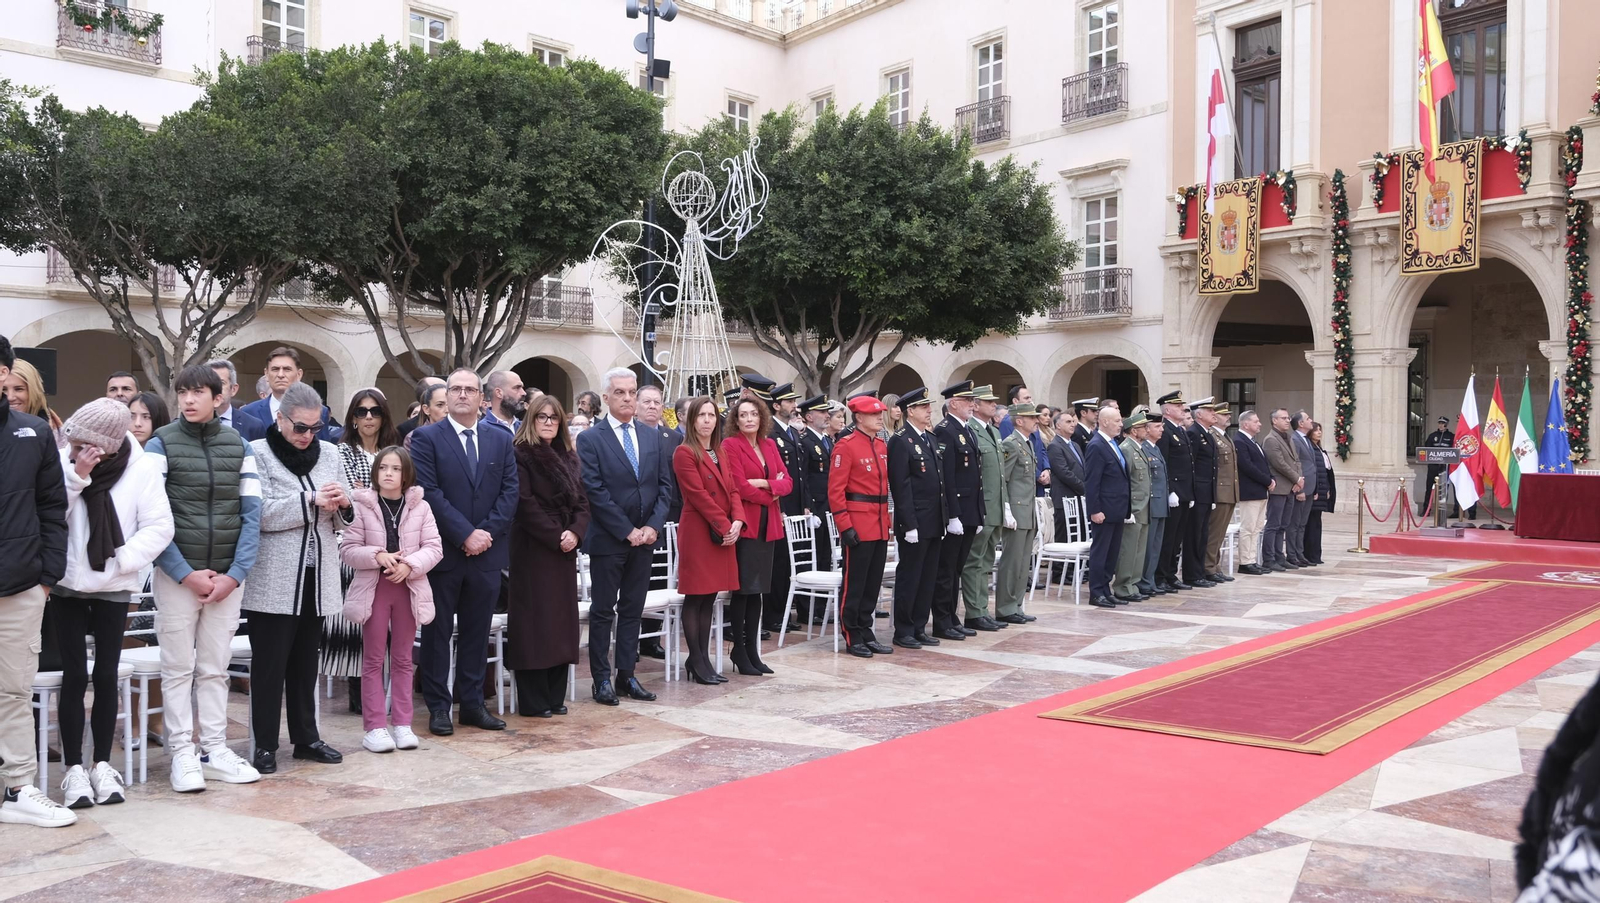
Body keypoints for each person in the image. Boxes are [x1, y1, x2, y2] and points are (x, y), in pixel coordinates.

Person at [144, 364, 262, 792]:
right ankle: (181, 753)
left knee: (214, 670)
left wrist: (235, 575)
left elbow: (252, 516)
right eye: (182, 393)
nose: (188, 400)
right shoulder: (160, 445)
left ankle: (214, 749)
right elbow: (152, 518)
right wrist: (184, 573)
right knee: (178, 669)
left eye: (197, 392)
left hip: (227, 581)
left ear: (219, 398)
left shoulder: (240, 445)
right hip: (179, 579)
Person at [52, 399, 173, 808]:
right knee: (72, 675)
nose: (75, 446)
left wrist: (119, 561)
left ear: (105, 444)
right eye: (74, 440)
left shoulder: (142, 468)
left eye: (85, 442)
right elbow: (50, 516)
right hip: (67, 584)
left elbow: (159, 526)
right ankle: (73, 770)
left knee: (105, 675)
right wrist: (77, 477)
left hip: (114, 584)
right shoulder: (64, 461)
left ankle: (102, 764)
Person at [243, 382, 350, 772]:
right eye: (299, 428)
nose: (307, 436)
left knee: (307, 664)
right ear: (280, 419)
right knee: (270, 666)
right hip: (273, 577)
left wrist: (343, 503)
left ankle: (307, 737)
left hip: (317, 574)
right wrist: (309, 500)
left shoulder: (331, 453)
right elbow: (260, 514)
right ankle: (265, 745)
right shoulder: (256, 453)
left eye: (314, 428)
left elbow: (344, 516)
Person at [411, 368, 517, 734]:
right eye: (454, 389)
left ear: (482, 398)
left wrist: (484, 534)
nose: (461, 395)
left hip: (486, 554)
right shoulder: (426, 438)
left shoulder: (501, 439)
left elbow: (509, 492)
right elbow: (429, 492)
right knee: (438, 634)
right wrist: (465, 534)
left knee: (476, 632)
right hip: (444, 553)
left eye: (469, 389)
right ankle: (439, 707)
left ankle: (472, 704)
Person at [0, 334, 75, 828]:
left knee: (11, 691)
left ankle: (18, 787)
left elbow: (53, 508)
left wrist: (46, 577)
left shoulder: (32, 433)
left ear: (6, 374)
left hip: (21, 585)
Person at [576, 368, 673, 704]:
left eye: (632, 392)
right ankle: (601, 679)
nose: (628, 398)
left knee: (633, 609)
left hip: (645, 539)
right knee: (604, 610)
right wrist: (626, 530)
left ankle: (627, 675)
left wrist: (652, 527)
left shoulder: (650, 435)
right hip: (609, 539)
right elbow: (594, 490)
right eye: (620, 392)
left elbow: (664, 486)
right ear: (606, 397)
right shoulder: (591, 439)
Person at [341, 446, 441, 751]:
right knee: (372, 658)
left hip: (408, 587)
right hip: (374, 588)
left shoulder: (421, 507)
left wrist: (410, 565)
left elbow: (434, 547)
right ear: (375, 472)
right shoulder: (361, 505)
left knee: (402, 658)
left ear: (406, 474)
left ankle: (402, 724)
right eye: (383, 467)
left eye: (396, 469)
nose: (388, 473)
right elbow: (347, 549)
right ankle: (374, 727)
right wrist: (378, 555)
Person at [505, 395, 587, 715]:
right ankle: (534, 700)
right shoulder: (520, 454)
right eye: (542, 417)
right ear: (531, 421)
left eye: (554, 418)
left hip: (565, 546)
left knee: (561, 624)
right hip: (534, 547)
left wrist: (575, 533)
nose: (549, 423)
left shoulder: (567, 455)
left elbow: (583, 501)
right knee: (535, 623)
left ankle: (555, 696)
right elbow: (524, 503)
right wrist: (556, 536)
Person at [664, 396, 741, 684]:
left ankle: (702, 658)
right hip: (699, 531)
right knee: (695, 597)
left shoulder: (720, 451)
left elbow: (733, 490)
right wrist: (724, 525)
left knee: (710, 597)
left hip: (721, 529)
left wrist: (738, 521)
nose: (707, 420)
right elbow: (697, 495)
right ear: (691, 420)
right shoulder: (684, 452)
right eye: (701, 415)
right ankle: (696, 660)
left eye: (711, 415)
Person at [333, 388, 401, 711]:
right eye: (362, 411)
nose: (369, 417)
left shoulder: (395, 451)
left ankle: (383, 690)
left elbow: (402, 494)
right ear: (353, 418)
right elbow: (350, 498)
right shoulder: (342, 452)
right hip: (355, 548)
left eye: (375, 411)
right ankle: (358, 695)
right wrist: (375, 493)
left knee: (385, 624)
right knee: (357, 623)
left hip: (393, 549)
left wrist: (367, 492)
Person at [722, 391, 791, 674]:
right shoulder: (730, 445)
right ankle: (739, 648)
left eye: (753, 414)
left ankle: (753, 650)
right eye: (743, 415)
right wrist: (771, 492)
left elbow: (788, 482)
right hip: (747, 525)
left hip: (769, 525)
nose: (749, 419)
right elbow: (738, 485)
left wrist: (766, 483)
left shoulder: (770, 445)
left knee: (759, 591)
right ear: (735, 421)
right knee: (744, 592)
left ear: (761, 417)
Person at [829, 394, 892, 658]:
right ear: (859, 418)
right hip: (857, 522)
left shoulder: (880, 445)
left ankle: (866, 630)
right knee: (854, 583)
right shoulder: (846, 446)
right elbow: (835, 491)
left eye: (880, 413)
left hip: (878, 523)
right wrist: (845, 526)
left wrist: (887, 523)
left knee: (872, 583)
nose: (880, 417)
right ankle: (852, 633)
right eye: (874, 414)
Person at [886, 387, 946, 649]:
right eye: (924, 407)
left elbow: (939, 483)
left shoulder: (930, 438)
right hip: (915, 521)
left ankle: (920, 626)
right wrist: (908, 523)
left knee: (928, 576)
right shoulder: (900, 440)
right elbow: (901, 486)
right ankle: (904, 629)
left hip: (934, 519)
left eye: (929, 407)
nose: (929, 411)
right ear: (911, 411)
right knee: (911, 576)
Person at [931, 383, 981, 642]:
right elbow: (947, 477)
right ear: (953, 404)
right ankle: (942, 620)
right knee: (946, 570)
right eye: (967, 400)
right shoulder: (945, 431)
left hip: (969, 511)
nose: (972, 404)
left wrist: (978, 512)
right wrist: (953, 515)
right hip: (957, 513)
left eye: (972, 400)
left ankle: (952, 617)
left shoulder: (967, 430)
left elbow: (975, 476)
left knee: (957, 569)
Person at [636, 383, 679, 661]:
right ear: (637, 405)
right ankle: (632, 638)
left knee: (661, 580)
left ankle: (652, 639)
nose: (653, 406)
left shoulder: (672, 438)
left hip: (668, 519)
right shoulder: (629, 435)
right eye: (647, 402)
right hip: (635, 521)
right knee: (636, 582)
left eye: (657, 402)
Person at [961, 385, 1007, 632]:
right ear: (976, 405)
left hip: (996, 507)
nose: (994, 405)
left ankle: (982, 609)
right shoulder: (971, 431)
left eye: (994, 402)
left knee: (987, 561)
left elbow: (999, 475)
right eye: (988, 402)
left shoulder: (995, 433)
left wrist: (1006, 505)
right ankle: (974, 612)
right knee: (974, 561)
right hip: (982, 508)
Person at [993, 402, 1041, 624]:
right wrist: (1007, 510)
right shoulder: (1011, 444)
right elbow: (1004, 479)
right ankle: (1005, 607)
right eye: (1031, 417)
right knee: (1012, 562)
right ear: (1019, 420)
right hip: (1016, 510)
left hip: (1028, 511)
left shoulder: (1027, 443)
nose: (1036, 420)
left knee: (1023, 562)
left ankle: (1017, 604)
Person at [765, 383, 805, 634]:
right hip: (781, 507)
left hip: (794, 506)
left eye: (794, 402)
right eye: (789, 402)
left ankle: (781, 612)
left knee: (788, 564)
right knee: (777, 563)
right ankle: (772, 615)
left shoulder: (790, 432)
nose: (794, 406)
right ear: (776, 405)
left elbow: (798, 474)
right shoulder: (770, 433)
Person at [1083, 403, 1130, 609]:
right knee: (1101, 552)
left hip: (1117, 508)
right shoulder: (1096, 445)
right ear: (1104, 422)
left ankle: (1105, 589)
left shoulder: (1112, 443)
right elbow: (1092, 481)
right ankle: (1096, 592)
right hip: (1104, 509)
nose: (1121, 424)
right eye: (1118, 421)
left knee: (1112, 553)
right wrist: (1094, 510)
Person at [239, 346, 341, 442]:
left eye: (287, 369)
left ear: (299, 374)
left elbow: (322, 450)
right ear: (266, 374)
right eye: (275, 369)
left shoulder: (320, 411)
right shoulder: (248, 412)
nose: (280, 375)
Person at [1155, 391, 1193, 592]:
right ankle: (1161, 576)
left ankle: (1171, 574)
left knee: (1177, 538)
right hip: (1174, 494)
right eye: (1178, 406)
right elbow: (1164, 463)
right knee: (1168, 538)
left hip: (1184, 492)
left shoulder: (1180, 430)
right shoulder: (1166, 431)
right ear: (1168, 410)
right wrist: (1170, 490)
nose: (1182, 409)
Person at [1112, 410, 1152, 603]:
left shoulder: (1138, 447)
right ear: (1134, 431)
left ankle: (1133, 584)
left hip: (1143, 504)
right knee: (1128, 549)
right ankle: (1123, 585)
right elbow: (1125, 480)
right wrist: (1127, 507)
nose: (1147, 429)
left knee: (1139, 549)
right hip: (1134, 505)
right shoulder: (1127, 448)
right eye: (1144, 427)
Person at [796, 395, 834, 575]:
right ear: (809, 417)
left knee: (826, 557)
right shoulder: (805, 441)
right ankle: (810, 603)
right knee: (814, 559)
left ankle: (822, 603)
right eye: (822, 412)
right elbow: (803, 477)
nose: (827, 415)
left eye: (827, 411)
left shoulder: (827, 441)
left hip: (829, 505)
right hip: (816, 507)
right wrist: (808, 507)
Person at [1233, 410, 1274, 576]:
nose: (1260, 424)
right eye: (1256, 421)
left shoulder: (1252, 441)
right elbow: (1247, 466)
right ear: (1246, 424)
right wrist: (1267, 480)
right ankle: (1245, 562)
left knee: (1256, 528)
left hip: (1260, 491)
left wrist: (1270, 479)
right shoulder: (1239, 441)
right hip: (1250, 491)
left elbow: (1263, 464)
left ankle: (1252, 560)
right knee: (1248, 528)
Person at [1183, 398, 1219, 588]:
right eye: (1209, 410)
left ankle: (1200, 572)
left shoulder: (1207, 434)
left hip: (1207, 492)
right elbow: (1192, 466)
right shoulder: (1194, 433)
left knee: (1203, 534)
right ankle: (1191, 574)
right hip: (1197, 493)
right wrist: (1193, 493)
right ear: (1199, 414)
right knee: (1194, 535)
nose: (1214, 414)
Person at [1261, 408, 1301, 572]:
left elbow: (1296, 460)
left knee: (1283, 525)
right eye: (1283, 418)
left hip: (1290, 487)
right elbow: (1279, 463)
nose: (1287, 420)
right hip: (1279, 488)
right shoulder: (1271, 440)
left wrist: (1299, 479)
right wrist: (1296, 478)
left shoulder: (1288, 438)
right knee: (1273, 525)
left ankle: (1280, 556)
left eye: (1288, 417)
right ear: (1274, 421)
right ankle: (1269, 559)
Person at [1204, 402, 1239, 583]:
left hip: (1229, 492)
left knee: (1220, 533)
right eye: (1224, 415)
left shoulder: (1225, 437)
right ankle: (1208, 567)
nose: (1228, 417)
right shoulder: (1212, 436)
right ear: (1215, 417)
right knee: (1214, 533)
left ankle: (1215, 566)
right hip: (1219, 492)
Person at [1139, 415, 1171, 597]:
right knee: (1148, 545)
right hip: (1151, 503)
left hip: (1160, 503)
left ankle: (1150, 579)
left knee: (1156, 545)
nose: (1161, 429)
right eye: (1157, 426)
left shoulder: (1155, 449)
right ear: (1147, 429)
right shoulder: (1144, 448)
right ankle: (1144, 581)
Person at [3, 359, 64, 447]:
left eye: (19, 389)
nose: (10, 397)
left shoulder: (55, 434)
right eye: (3, 390)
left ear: (33, 391)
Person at [1048, 408, 1087, 541]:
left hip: (1078, 499)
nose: (1073, 424)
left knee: (1080, 537)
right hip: (1064, 499)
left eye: (1073, 421)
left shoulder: (1075, 445)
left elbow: (1082, 468)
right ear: (1058, 425)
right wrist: (1084, 488)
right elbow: (1064, 472)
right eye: (1068, 422)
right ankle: (1059, 563)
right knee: (1064, 538)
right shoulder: (1054, 446)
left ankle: (1075, 563)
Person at [1287, 410, 1318, 568]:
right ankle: (1292, 554)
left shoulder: (1306, 439)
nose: (1311, 420)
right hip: (1301, 487)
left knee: (1302, 523)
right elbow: (1295, 464)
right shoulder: (1294, 439)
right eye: (1308, 418)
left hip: (1310, 488)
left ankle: (1300, 553)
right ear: (1300, 423)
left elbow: (1311, 465)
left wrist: (1316, 487)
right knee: (1295, 523)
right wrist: (1299, 489)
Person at [208, 360, 266, 442]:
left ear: (233, 389)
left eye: (221, 383)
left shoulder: (253, 426)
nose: (214, 388)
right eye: (209, 383)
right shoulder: (192, 423)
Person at [1307, 422, 1336, 565]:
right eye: (1316, 430)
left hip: (1322, 492)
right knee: (1311, 524)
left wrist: (1328, 489)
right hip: (1315, 493)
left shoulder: (1320, 449)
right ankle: (1311, 555)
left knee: (1317, 523)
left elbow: (1326, 472)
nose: (1319, 432)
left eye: (1320, 430)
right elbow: (1314, 471)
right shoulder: (1310, 449)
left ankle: (1316, 554)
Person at [1421, 416, 1454, 516]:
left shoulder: (1451, 436)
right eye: (1439, 423)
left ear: (1446, 425)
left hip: (1444, 467)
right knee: (1429, 488)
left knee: (1444, 490)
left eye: (1442, 423)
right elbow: (1426, 449)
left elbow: (1454, 451)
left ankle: (1441, 511)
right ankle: (1426, 510)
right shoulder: (1432, 436)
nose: (1440, 425)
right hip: (1433, 466)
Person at [481, 370, 526, 435]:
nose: (524, 393)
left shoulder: (527, 429)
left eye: (522, 388)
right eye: (517, 388)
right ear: (499, 393)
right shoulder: (481, 431)